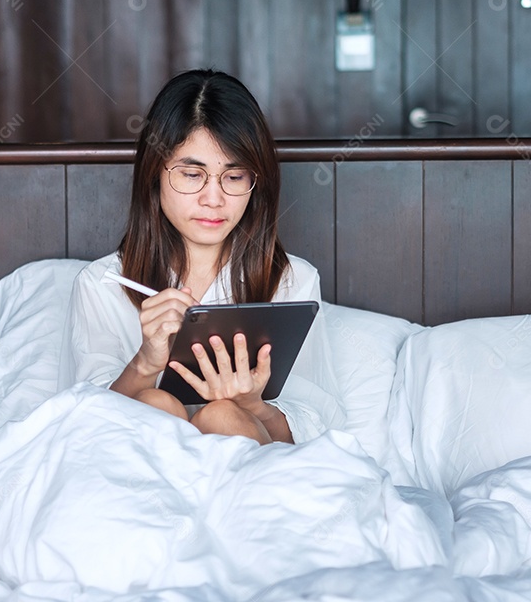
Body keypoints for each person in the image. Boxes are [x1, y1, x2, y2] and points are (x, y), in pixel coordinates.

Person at [59, 69, 344, 445]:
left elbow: (316, 431)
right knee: (156, 405)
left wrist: (253, 405)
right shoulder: (101, 285)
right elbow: (82, 429)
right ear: (154, 175)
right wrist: (145, 363)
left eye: (234, 176)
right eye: (192, 174)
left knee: (224, 416)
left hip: (251, 482)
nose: (214, 199)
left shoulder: (293, 281)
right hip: (136, 484)